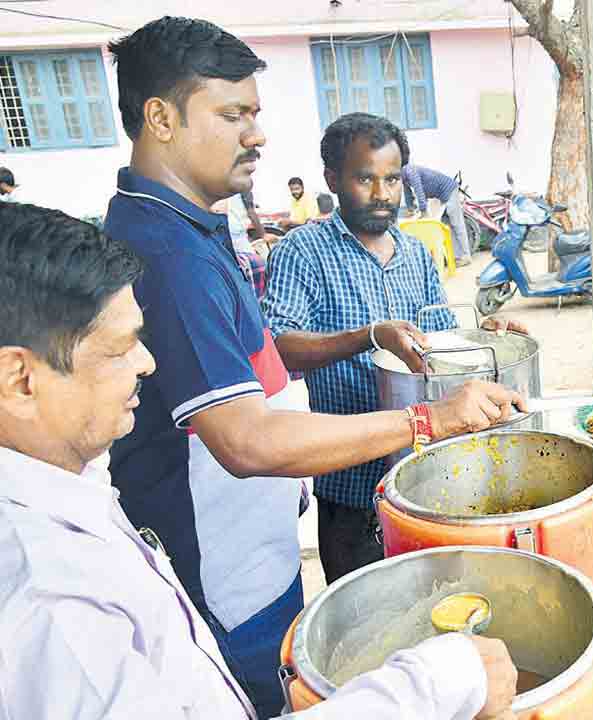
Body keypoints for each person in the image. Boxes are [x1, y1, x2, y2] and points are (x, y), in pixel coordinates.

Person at [103, 18, 523, 716]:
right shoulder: (171, 257)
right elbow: (245, 440)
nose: (257, 135)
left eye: (256, 115)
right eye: (232, 114)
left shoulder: (195, 233)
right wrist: (428, 417)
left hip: (251, 558)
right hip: (218, 578)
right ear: (161, 119)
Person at [0, 202, 520, 720]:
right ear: (20, 380)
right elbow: (250, 439)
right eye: (119, 349)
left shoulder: (74, 484)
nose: (148, 363)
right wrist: (434, 685)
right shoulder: (50, 605)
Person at [264, 112, 530, 584]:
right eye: (365, 178)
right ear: (333, 179)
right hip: (350, 482)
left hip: (427, 476)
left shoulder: (416, 254)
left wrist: (488, 334)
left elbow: (443, 346)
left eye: (391, 179)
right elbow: (280, 346)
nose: (382, 193)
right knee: (365, 625)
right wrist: (369, 335)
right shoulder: (300, 250)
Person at [401, 162, 472, 266]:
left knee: (457, 224)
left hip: (449, 190)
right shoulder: (404, 178)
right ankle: (457, 257)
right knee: (447, 226)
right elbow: (408, 194)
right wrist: (410, 209)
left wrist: (423, 212)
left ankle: (466, 256)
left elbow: (419, 191)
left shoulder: (410, 171)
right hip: (439, 196)